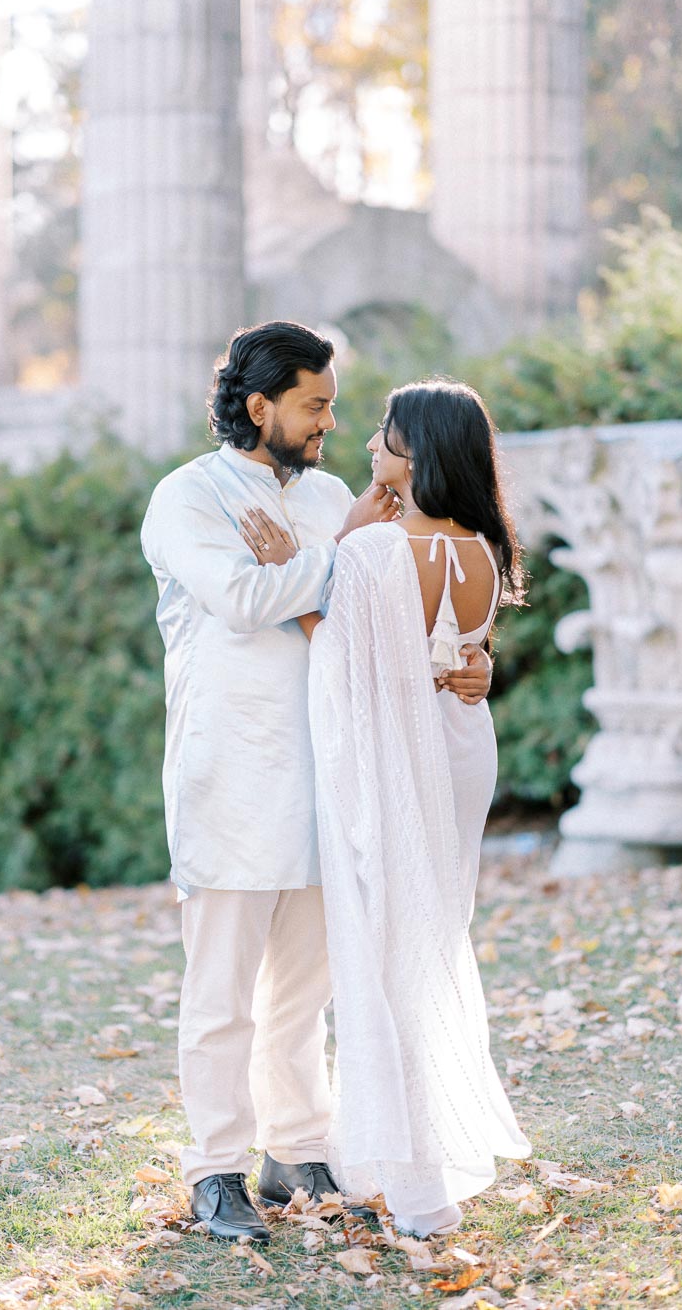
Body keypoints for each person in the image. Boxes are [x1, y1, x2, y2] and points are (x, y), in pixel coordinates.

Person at [141, 324, 495, 1243]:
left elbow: (401, 607)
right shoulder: (189, 498)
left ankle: (295, 1144)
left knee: (306, 987)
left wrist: (468, 663)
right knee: (221, 992)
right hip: (235, 773)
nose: (331, 422)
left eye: (335, 406)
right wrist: (334, 552)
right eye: (315, 404)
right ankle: (215, 1168)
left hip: (341, 780)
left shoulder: (339, 494)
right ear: (260, 407)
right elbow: (247, 601)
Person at [243, 378, 531, 1237]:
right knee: (433, 935)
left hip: (393, 765)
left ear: (415, 453)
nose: (368, 445)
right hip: (458, 753)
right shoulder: (483, 546)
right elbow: (462, 660)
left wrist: (296, 572)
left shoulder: (373, 554)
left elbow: (339, 666)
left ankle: (417, 1184)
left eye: (383, 435)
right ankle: (394, 1148)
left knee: (380, 953)